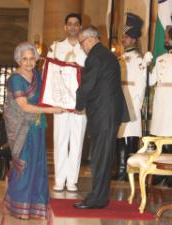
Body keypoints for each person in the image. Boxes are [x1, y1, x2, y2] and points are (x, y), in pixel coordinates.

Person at [3, 42, 65, 220]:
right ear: (18, 60)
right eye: (25, 59)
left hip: (37, 126)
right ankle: (19, 206)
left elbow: (49, 92)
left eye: (32, 59)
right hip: (22, 128)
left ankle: (35, 206)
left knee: (38, 164)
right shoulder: (15, 79)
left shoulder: (38, 74)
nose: (29, 63)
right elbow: (23, 106)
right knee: (24, 165)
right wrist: (50, 111)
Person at [74, 26, 129, 209]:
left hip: (103, 114)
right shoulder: (105, 55)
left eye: (81, 43)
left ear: (89, 39)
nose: (82, 47)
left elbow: (87, 85)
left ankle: (97, 199)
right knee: (102, 157)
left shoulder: (95, 56)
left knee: (101, 158)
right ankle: (98, 197)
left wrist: (77, 105)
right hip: (107, 113)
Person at [47, 13, 87, 192]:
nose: (72, 27)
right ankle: (59, 179)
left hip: (80, 104)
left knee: (77, 142)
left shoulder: (86, 48)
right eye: (69, 24)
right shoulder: (55, 47)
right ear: (65, 27)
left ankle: (72, 180)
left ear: (80, 27)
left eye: (76, 24)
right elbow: (48, 75)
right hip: (61, 103)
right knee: (60, 140)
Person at [115, 13, 152, 180]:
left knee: (130, 135)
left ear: (135, 40)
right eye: (123, 36)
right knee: (120, 136)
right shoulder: (120, 58)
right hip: (120, 101)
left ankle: (129, 169)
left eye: (127, 37)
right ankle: (121, 169)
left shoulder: (139, 60)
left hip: (131, 103)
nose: (124, 39)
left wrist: (135, 105)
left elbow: (142, 84)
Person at [150, 26, 172, 187]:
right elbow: (151, 80)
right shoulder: (160, 58)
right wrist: (146, 65)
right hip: (160, 100)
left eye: (167, 37)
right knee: (160, 137)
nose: (165, 40)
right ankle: (160, 172)